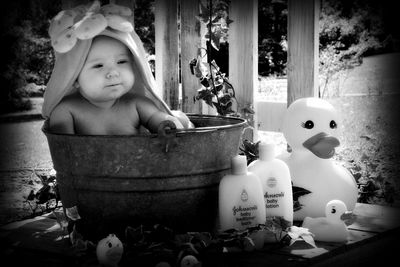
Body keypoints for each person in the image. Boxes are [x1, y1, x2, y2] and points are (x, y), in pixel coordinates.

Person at [43, 1, 193, 135]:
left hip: (134, 164)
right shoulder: (66, 111)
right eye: (98, 65)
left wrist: (168, 123)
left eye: (121, 62)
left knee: (179, 118)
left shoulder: (136, 104)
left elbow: (157, 118)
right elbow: (63, 148)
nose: (113, 73)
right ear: (74, 78)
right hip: (87, 165)